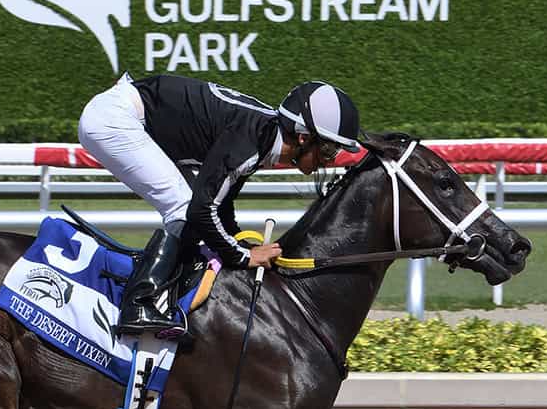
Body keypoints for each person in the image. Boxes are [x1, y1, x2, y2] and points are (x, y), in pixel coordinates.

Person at [77, 74, 361, 335]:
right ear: (303, 137)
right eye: (328, 149)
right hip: (114, 118)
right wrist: (244, 257)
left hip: (126, 113)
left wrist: (240, 244)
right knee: (183, 207)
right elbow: (200, 210)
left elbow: (220, 206)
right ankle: (139, 304)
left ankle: (163, 294)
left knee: (191, 208)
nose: (331, 159)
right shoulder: (252, 141)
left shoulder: (262, 137)